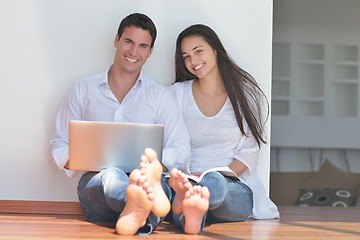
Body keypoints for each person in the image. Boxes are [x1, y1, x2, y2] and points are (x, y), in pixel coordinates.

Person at [49, 13, 190, 235]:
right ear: (116, 40)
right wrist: (80, 157)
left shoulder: (161, 96)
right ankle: (137, 201)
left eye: (143, 46)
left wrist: (151, 167)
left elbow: (182, 149)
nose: (134, 52)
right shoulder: (83, 90)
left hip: (147, 179)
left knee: (155, 185)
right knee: (111, 176)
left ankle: (138, 206)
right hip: (98, 182)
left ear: (150, 51)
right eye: (128, 42)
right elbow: (59, 142)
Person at [168, 24, 279, 234]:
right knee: (179, 194)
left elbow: (249, 153)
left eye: (198, 51)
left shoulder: (245, 95)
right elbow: (169, 142)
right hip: (187, 178)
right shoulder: (177, 95)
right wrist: (189, 177)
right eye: (186, 56)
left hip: (232, 184)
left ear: (215, 49)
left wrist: (212, 176)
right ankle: (191, 214)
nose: (193, 61)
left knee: (214, 186)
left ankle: (189, 201)